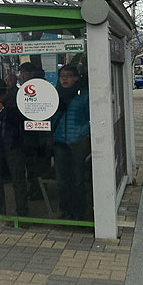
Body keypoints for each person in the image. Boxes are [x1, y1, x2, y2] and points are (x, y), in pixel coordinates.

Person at [51, 64, 90, 220]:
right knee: (61, 181)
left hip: (78, 144)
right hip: (59, 143)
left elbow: (91, 118)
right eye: (62, 76)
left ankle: (79, 212)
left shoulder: (84, 96)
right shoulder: (54, 96)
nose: (65, 78)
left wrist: (81, 133)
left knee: (78, 180)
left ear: (76, 78)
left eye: (68, 75)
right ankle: (65, 210)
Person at [0, 78, 28, 217]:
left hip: (13, 147)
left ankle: (22, 212)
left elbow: (18, 121)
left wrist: (3, 110)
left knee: (18, 180)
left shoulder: (15, 101)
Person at [18, 62, 53, 201]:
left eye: (24, 72)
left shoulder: (40, 88)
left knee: (39, 166)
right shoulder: (24, 89)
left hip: (40, 136)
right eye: (21, 73)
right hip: (29, 135)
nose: (22, 75)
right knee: (31, 166)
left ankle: (39, 192)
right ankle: (34, 189)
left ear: (31, 73)